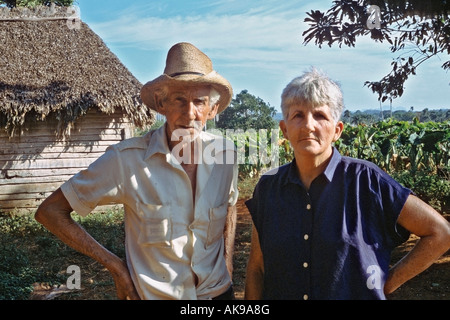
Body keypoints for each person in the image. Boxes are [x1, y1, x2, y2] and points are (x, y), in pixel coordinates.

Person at [35, 42, 239, 300]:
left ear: (212, 109)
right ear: (161, 103)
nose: (190, 113)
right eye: (179, 100)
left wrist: (228, 262)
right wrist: (117, 267)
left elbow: (229, 205)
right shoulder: (126, 160)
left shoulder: (225, 154)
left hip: (219, 295)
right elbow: (50, 211)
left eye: (199, 101)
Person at [244, 68, 450, 300]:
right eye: (298, 115)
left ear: (337, 130)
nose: (308, 125)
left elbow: (440, 233)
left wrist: (386, 284)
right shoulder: (269, 187)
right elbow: (257, 267)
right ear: (284, 129)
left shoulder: (368, 181)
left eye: (320, 115)